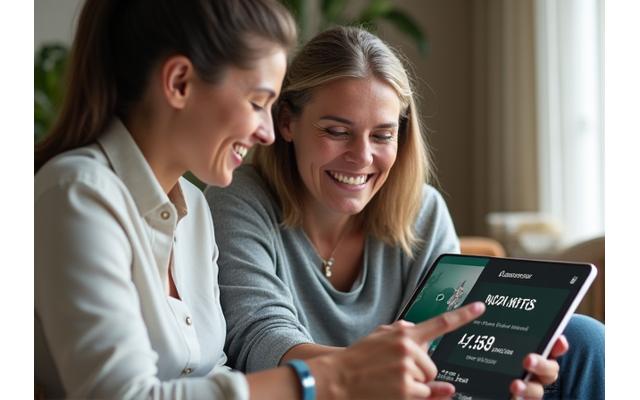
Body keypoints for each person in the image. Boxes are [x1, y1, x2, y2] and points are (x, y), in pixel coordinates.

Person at [34, 2, 487, 399]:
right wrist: (337, 379)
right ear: (179, 83)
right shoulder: (77, 193)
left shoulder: (191, 210)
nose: (267, 133)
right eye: (257, 102)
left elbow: (215, 371)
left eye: (383, 134)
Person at [205, 26, 605, 399]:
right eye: (337, 131)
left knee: (585, 341)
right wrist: (364, 373)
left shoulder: (423, 210)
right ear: (287, 122)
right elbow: (260, 340)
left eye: (382, 135)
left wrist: (503, 376)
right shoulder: (239, 198)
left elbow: (448, 352)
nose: (362, 157)